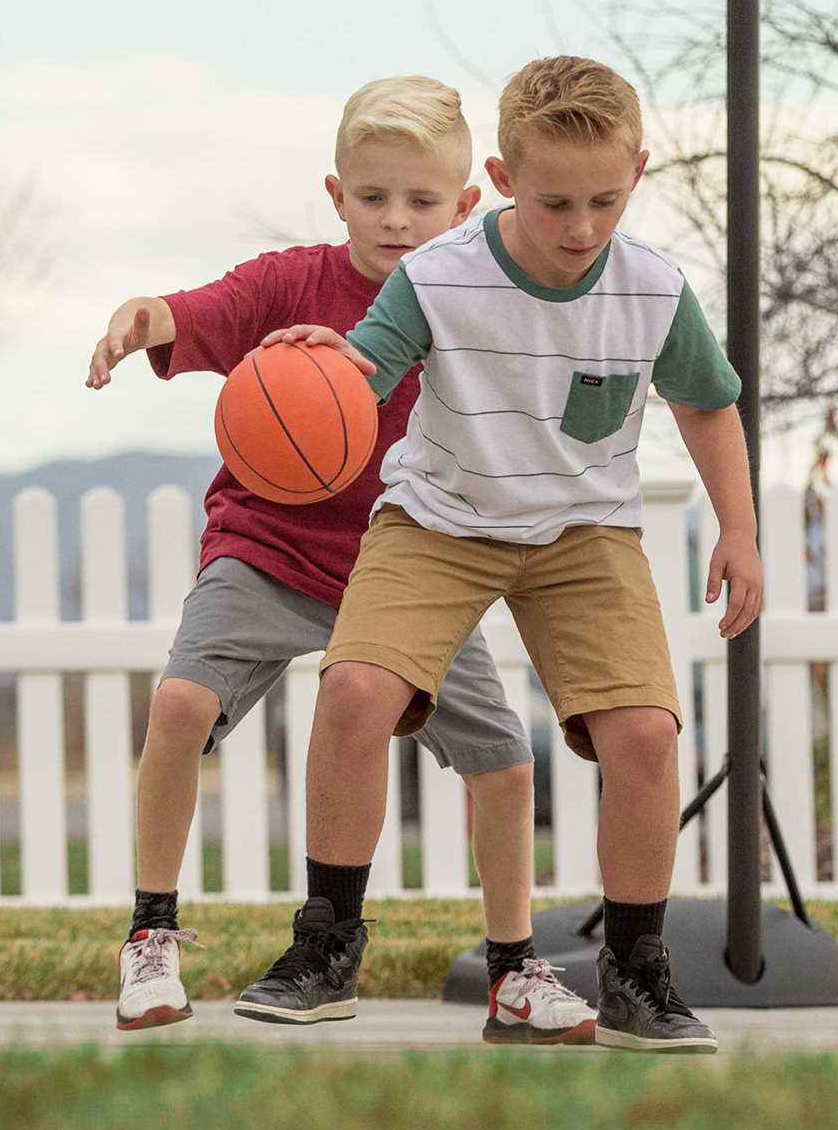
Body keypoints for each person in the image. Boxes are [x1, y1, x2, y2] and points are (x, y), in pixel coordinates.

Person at [249, 55, 763, 1052]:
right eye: (554, 200)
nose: (579, 226)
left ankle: (637, 972)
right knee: (352, 689)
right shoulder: (438, 273)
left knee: (648, 734)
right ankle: (324, 948)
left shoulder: (652, 288)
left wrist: (737, 531)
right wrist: (323, 367)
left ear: (639, 169)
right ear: (502, 174)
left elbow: (706, 401)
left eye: (603, 200)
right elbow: (364, 371)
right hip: (440, 515)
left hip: (581, 530)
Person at [86, 74, 593, 1045]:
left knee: (502, 761)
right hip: (267, 546)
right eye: (373, 197)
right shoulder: (291, 284)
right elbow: (187, 311)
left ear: (464, 204)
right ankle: (151, 935)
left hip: (408, 566)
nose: (396, 218)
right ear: (336, 194)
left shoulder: (471, 306)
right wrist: (136, 318)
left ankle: (513, 968)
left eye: (421, 200)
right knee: (179, 705)